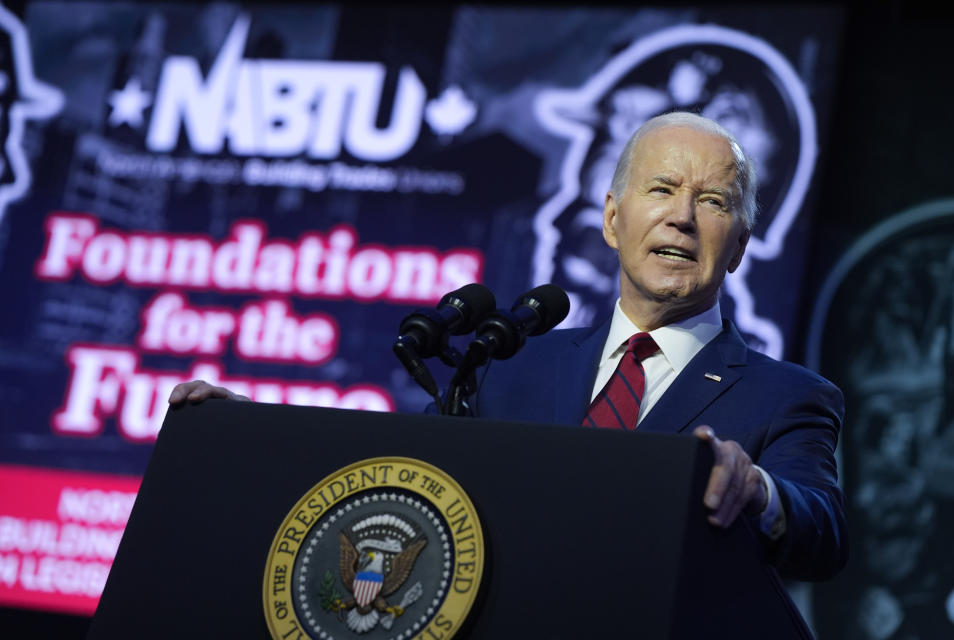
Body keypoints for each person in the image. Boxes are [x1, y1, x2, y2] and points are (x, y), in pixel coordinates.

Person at [169, 111, 846, 581]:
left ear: (739, 248)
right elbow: (390, 479)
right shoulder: (508, 368)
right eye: (662, 189)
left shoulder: (788, 397)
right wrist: (246, 434)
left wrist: (759, 490)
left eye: (714, 202)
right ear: (613, 219)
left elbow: (823, 532)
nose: (681, 215)